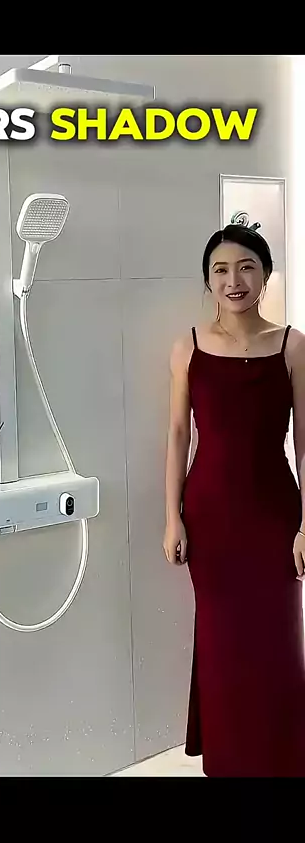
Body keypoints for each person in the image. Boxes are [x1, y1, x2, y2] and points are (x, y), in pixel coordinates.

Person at [163, 223, 305, 778]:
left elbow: (304, 443)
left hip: (275, 516)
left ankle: (283, 759)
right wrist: (171, 517)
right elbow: (178, 435)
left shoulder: (293, 346)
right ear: (208, 282)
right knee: (222, 642)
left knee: (277, 639)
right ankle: (227, 761)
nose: (234, 280)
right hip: (210, 518)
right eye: (220, 270)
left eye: (247, 267)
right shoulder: (188, 348)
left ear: (265, 275)